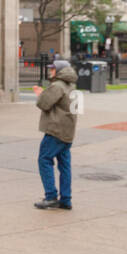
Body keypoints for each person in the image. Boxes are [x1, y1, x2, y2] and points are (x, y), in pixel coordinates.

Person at [32, 59, 76, 210]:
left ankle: (50, 196)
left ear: (60, 71)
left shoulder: (57, 86)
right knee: (64, 165)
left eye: (53, 69)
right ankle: (66, 199)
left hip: (55, 130)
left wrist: (40, 94)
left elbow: (43, 104)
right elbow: (77, 109)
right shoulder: (72, 86)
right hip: (68, 131)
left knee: (44, 159)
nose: (50, 71)